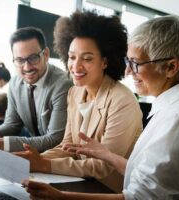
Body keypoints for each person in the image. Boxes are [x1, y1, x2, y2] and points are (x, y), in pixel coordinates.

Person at [22, 15, 179, 200]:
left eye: (136, 63)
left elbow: (141, 197)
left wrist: (61, 196)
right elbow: (145, 176)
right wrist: (108, 155)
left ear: (171, 67)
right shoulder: (173, 108)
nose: (127, 71)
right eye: (128, 62)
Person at [15, 11, 142, 192]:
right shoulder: (74, 92)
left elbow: (103, 165)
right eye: (72, 57)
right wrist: (34, 159)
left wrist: (43, 164)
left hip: (109, 191)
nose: (76, 66)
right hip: (77, 183)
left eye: (87, 58)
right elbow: (67, 146)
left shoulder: (123, 101)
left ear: (105, 62)